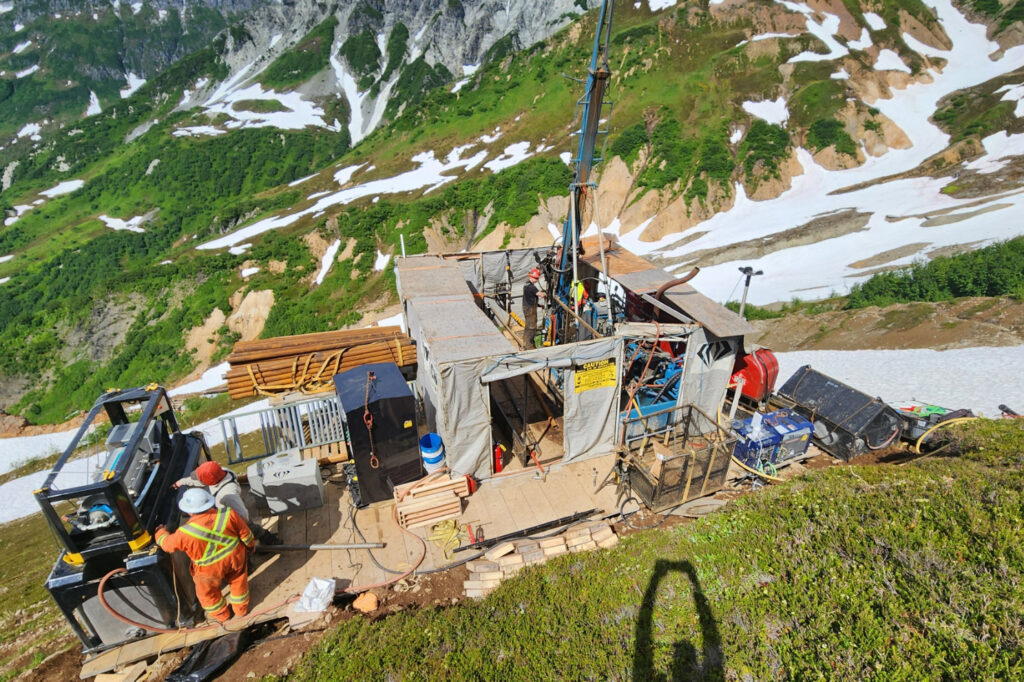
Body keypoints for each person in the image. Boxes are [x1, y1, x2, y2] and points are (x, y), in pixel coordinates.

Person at [156, 488, 254, 623]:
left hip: (209, 569)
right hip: (235, 557)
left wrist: (160, 533)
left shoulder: (184, 533)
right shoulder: (228, 514)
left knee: (208, 593)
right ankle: (241, 610)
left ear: (189, 511)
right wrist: (250, 548)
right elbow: (246, 534)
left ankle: (222, 615)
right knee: (238, 582)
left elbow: (166, 545)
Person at [175, 461, 279, 544]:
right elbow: (200, 480)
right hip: (230, 509)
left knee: (251, 532)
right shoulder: (221, 472)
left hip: (236, 516)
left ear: (211, 482)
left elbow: (243, 514)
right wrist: (180, 482)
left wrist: (240, 526)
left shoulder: (228, 495)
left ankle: (271, 541)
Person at [522, 268, 546, 348]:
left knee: (528, 325)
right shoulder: (532, 287)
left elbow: (530, 297)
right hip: (530, 309)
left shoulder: (526, 284)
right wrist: (546, 294)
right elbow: (541, 295)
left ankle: (525, 341)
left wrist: (539, 305)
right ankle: (529, 346)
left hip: (527, 307)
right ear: (532, 277)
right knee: (532, 327)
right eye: (536, 278)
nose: (537, 280)